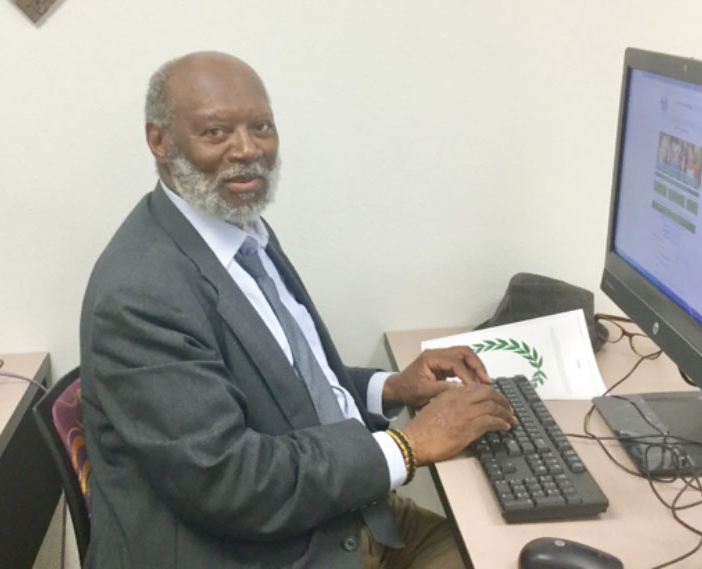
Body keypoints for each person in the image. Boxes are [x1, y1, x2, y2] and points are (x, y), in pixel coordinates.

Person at [79, 51, 517, 569]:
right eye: (216, 132)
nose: (247, 150)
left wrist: (391, 388)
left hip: (340, 520)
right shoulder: (140, 293)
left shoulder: (239, 231)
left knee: (509, 550)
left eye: (261, 126)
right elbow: (229, 481)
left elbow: (284, 388)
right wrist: (406, 447)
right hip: (262, 551)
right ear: (159, 141)